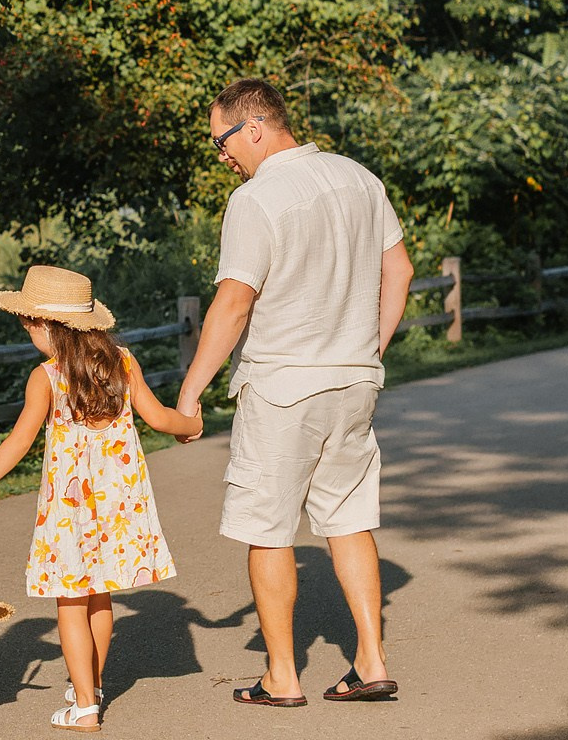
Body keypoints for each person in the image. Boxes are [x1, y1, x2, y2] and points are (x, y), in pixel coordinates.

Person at [174, 77, 412, 707]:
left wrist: (191, 392)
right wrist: (371, 349)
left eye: (223, 141)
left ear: (254, 128)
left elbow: (233, 302)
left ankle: (282, 676)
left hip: (283, 386)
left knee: (269, 528)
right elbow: (400, 269)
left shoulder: (256, 199)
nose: (222, 155)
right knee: (349, 519)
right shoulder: (360, 179)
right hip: (354, 380)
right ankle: (371, 660)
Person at [0, 265, 202, 732]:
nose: (27, 330)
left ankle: (84, 708)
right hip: (119, 503)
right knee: (100, 596)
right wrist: (192, 425)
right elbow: (160, 418)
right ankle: (92, 686)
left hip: (70, 509)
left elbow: (18, 441)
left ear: (48, 325)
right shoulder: (122, 362)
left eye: (29, 322)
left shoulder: (45, 377)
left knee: (70, 602)